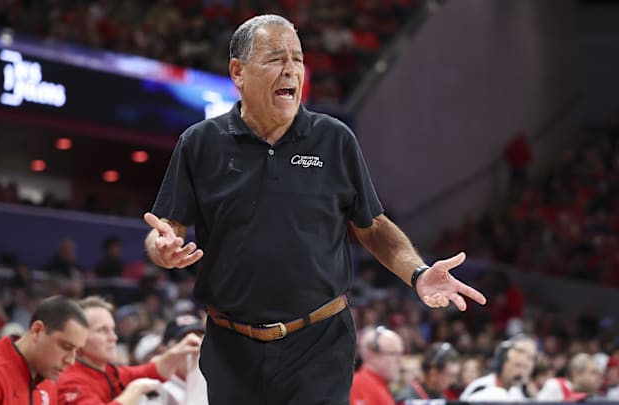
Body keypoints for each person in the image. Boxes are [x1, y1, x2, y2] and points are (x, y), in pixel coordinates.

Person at [143, 13, 487, 404]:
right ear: (238, 72)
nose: (291, 70)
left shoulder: (334, 139)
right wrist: (163, 248)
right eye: (275, 58)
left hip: (319, 346)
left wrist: (419, 273)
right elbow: (166, 228)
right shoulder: (200, 143)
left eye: (298, 58)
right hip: (230, 345)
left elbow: (372, 226)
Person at [57, 296, 202, 405]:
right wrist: (135, 390)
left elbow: (153, 371)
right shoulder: (70, 381)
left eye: (112, 329)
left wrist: (179, 350)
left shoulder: (108, 370)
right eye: (102, 330)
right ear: (77, 338)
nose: (113, 337)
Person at [0, 295, 89, 404]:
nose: (71, 360)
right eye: (66, 347)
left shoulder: (48, 382)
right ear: (37, 331)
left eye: (77, 351)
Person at [460, 334, 537, 401]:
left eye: (525, 368)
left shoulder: (521, 394)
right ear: (503, 362)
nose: (521, 372)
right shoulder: (481, 387)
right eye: (517, 366)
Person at [350, 326, 403, 405]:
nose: (399, 360)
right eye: (394, 354)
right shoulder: (358, 386)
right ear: (372, 354)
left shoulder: (379, 386)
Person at [394, 342, 460, 404]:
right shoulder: (407, 400)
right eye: (450, 375)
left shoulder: (440, 396)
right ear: (433, 374)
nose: (453, 381)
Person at [537, 352, 602, 401]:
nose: (598, 377)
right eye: (593, 372)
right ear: (577, 375)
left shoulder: (595, 398)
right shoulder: (555, 385)